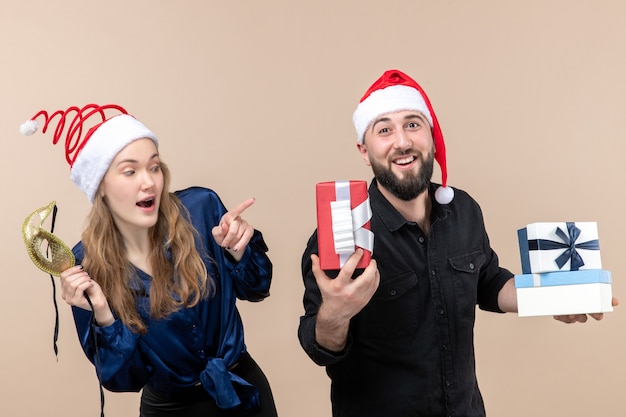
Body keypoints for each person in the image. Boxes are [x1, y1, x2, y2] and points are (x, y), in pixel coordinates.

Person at [298, 69, 616, 417]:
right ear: (364, 149)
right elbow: (320, 347)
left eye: (413, 124)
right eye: (384, 129)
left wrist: (551, 297)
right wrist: (335, 313)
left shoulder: (463, 209)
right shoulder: (341, 234)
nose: (402, 141)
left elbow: (489, 282)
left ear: (432, 137)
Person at [21, 104, 278, 417]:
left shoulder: (202, 208)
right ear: (100, 185)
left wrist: (238, 251)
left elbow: (259, 287)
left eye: (154, 167)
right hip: (169, 409)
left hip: (243, 392)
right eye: (130, 171)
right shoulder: (85, 264)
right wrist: (102, 312)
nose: (149, 182)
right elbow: (122, 378)